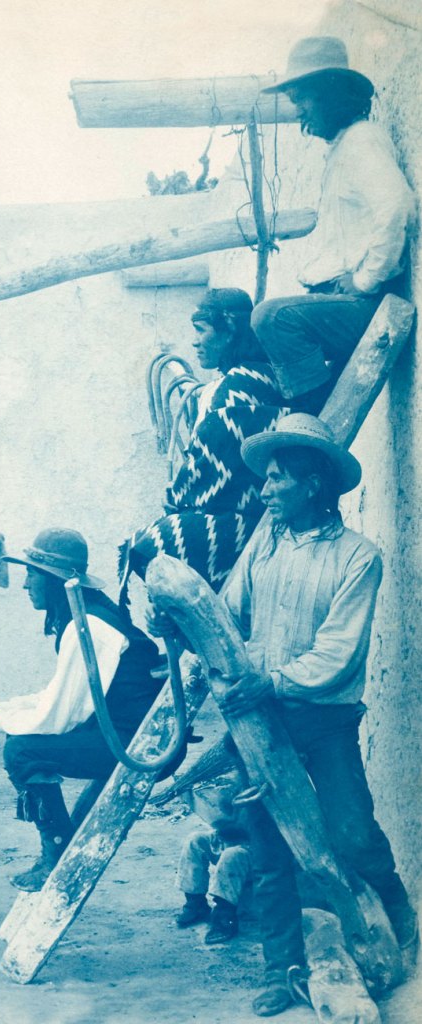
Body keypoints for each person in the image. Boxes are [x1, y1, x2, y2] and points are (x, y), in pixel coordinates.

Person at [216, 414, 416, 1016]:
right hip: (257, 721)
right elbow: (230, 611)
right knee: (269, 848)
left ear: (312, 485)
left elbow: (336, 652)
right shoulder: (264, 542)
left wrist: (270, 680)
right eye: (267, 477)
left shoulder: (360, 558)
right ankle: (283, 969)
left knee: (353, 834)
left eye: (278, 478)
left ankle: (401, 923)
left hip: (322, 720)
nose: (266, 487)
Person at [0, 527, 177, 892]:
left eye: (32, 573)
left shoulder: (89, 627)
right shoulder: (85, 615)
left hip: (142, 747)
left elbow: (57, 716)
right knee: (26, 740)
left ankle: (55, 851)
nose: (26, 584)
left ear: (56, 580)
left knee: (23, 750)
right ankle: (58, 844)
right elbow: (62, 694)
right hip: (133, 735)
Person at [252, 36, 415, 412]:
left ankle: (309, 420)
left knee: (272, 318)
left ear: (329, 93)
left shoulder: (362, 141)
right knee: (254, 335)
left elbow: (396, 206)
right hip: (343, 302)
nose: (298, 113)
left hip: (366, 304)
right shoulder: (343, 146)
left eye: (301, 100)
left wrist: (363, 279)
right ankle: (304, 417)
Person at [118, 288, 288, 605]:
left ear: (228, 331)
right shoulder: (256, 378)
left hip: (242, 519)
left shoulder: (237, 386)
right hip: (247, 512)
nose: (195, 341)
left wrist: (173, 498)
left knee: (150, 544)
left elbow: (213, 471)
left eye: (201, 330)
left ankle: (189, 628)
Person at [175, 767, 251, 947]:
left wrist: (231, 832)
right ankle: (196, 903)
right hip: (233, 837)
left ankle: (225, 917)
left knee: (232, 855)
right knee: (195, 840)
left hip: (260, 851)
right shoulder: (239, 779)